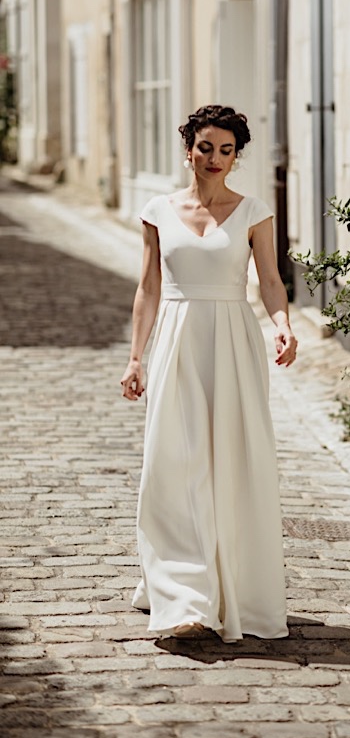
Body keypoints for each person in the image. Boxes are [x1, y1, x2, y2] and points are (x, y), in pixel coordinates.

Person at [119, 104, 297, 642]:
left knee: (233, 463)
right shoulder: (158, 211)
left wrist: (283, 325)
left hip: (234, 345)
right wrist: (135, 357)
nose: (215, 158)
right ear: (188, 150)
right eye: (205, 148)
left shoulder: (254, 212)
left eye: (226, 150)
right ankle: (184, 595)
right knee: (172, 464)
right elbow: (148, 287)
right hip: (177, 342)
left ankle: (233, 587)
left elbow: (270, 281)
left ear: (236, 156)